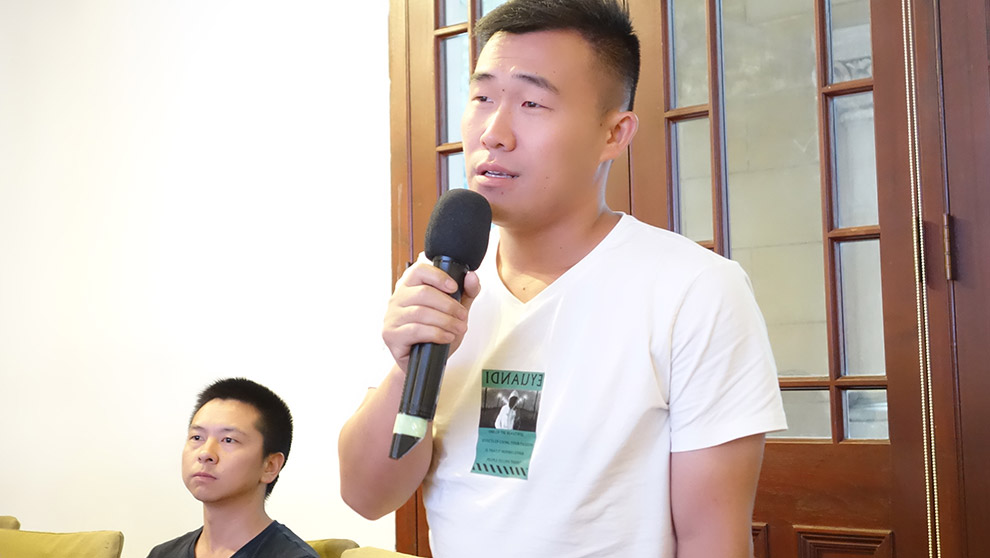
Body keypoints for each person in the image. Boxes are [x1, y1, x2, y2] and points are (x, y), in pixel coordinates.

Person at [338, 1, 787, 556]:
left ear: (613, 134)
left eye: (532, 103)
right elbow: (367, 497)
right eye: (482, 98)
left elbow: (712, 538)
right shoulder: (443, 282)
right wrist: (407, 370)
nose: (494, 133)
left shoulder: (695, 290)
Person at [148, 378, 317, 558]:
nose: (205, 453)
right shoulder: (162, 554)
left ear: (270, 466)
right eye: (197, 437)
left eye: (228, 440)